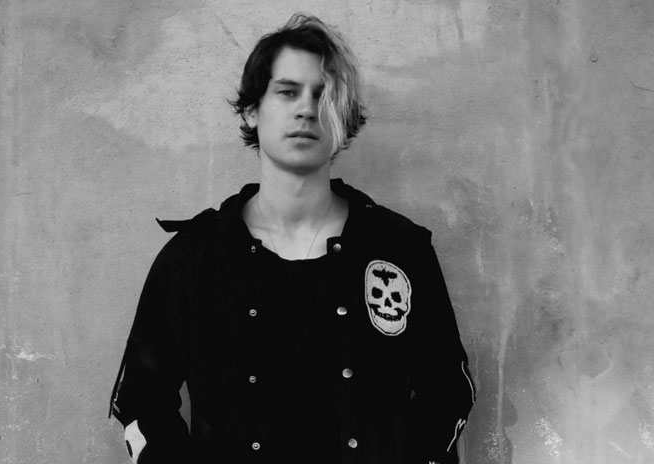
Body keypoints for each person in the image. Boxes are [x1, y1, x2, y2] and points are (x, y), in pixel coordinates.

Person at [109, 13, 475, 464]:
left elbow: (448, 392)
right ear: (252, 109)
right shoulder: (194, 257)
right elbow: (141, 400)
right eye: (287, 91)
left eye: (323, 95)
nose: (306, 109)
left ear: (342, 116)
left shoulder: (399, 250)